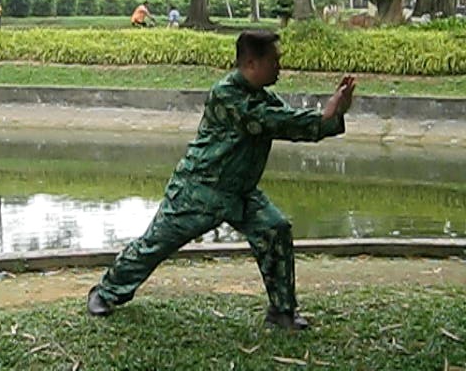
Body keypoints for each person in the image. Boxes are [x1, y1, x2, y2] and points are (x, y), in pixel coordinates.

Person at [87, 30, 356, 330]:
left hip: (240, 192)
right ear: (252, 63)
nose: (280, 67)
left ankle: (282, 312)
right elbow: (271, 121)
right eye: (274, 60)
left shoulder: (264, 97)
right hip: (199, 190)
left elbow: (291, 124)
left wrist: (331, 118)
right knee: (155, 245)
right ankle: (106, 292)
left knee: (275, 230)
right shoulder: (225, 94)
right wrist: (324, 116)